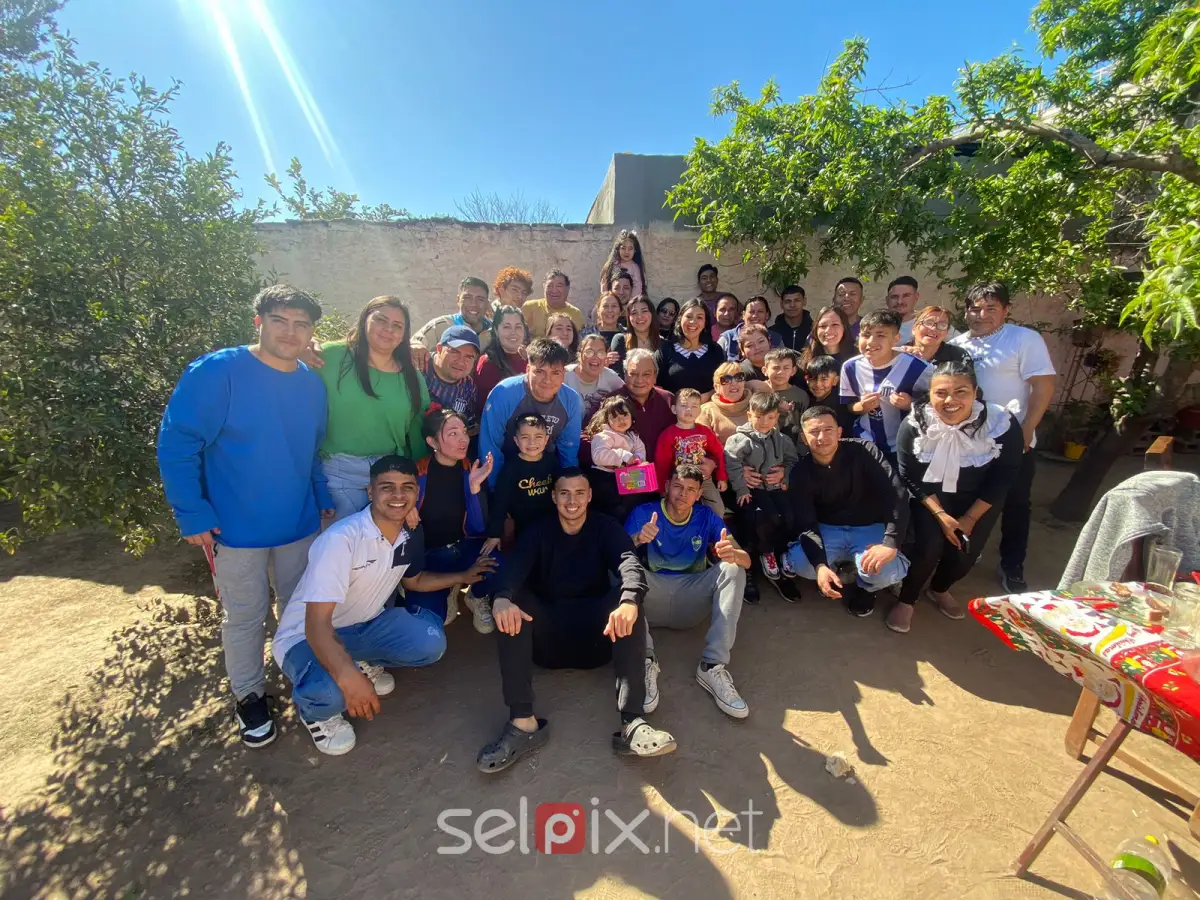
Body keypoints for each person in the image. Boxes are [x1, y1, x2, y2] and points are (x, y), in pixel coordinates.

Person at [157, 284, 333, 748]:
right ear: (259, 322)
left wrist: (320, 495)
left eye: (301, 324)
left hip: (298, 523)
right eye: (280, 321)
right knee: (245, 617)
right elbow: (177, 442)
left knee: (298, 611)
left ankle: (305, 683)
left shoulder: (311, 384)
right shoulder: (218, 371)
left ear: (311, 332)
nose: (290, 332)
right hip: (233, 530)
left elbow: (312, 450)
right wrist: (191, 512)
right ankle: (249, 696)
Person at [273, 455, 488, 755]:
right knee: (330, 693)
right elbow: (316, 624)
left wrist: (461, 577)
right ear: (370, 491)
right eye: (387, 487)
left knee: (430, 641)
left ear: (417, 492)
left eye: (407, 487)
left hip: (363, 625)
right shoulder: (341, 540)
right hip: (305, 638)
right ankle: (317, 713)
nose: (398, 495)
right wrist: (349, 677)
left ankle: (359, 661)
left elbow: (415, 581)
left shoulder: (410, 533)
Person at [477, 470, 675, 773]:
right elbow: (514, 567)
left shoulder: (605, 527)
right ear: (554, 497)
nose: (572, 500)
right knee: (512, 604)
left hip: (597, 638)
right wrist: (502, 597)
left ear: (589, 496)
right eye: (565, 493)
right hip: (548, 641)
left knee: (628, 601)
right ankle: (523, 722)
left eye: (580, 493)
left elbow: (629, 564)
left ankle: (632, 723)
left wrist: (629, 601)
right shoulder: (538, 530)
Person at [887, 362, 1025, 634]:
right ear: (930, 394)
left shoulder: (1000, 423)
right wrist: (941, 515)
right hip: (931, 497)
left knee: (965, 553)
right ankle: (907, 599)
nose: (950, 400)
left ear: (975, 392)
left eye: (961, 392)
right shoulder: (915, 424)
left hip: (981, 498)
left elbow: (1006, 475)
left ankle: (940, 589)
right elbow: (909, 474)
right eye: (941, 393)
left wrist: (970, 518)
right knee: (928, 547)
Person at [951, 282, 1057, 593]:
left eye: (991, 308)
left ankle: (1012, 564)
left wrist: (1027, 429)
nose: (981, 315)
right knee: (971, 500)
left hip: (1012, 439)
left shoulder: (1023, 339)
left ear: (1006, 310)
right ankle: (968, 551)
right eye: (975, 308)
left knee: (1015, 504)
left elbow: (1043, 385)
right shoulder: (958, 346)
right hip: (968, 442)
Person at [627, 466, 751, 718]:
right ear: (666, 487)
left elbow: (746, 560)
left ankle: (712, 665)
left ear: (699, 494)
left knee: (733, 569)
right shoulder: (645, 512)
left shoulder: (706, 516)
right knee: (625, 570)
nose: (683, 494)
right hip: (652, 599)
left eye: (691, 489)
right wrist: (638, 538)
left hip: (692, 600)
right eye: (678, 486)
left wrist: (732, 553)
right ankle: (644, 660)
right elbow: (613, 554)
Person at [784, 406, 911, 617]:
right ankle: (836, 572)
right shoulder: (800, 472)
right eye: (814, 432)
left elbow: (896, 493)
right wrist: (820, 566)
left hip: (869, 526)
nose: (822, 437)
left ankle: (867, 587)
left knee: (882, 571)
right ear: (804, 439)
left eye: (828, 429)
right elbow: (806, 522)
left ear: (839, 432)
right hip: (828, 528)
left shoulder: (864, 451)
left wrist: (891, 543)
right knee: (802, 564)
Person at [315, 296, 431, 521]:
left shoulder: (412, 377)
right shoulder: (330, 357)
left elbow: (417, 431)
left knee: (383, 542)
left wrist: (414, 485)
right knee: (342, 542)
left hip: (389, 476)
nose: (388, 330)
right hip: (338, 474)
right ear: (364, 320)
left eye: (397, 325)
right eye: (381, 320)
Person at [402, 409, 501, 633]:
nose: (463, 439)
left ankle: (476, 596)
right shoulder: (416, 473)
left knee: (499, 567)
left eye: (464, 432)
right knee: (425, 620)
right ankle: (448, 587)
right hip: (430, 557)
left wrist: (474, 489)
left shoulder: (471, 470)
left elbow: (478, 527)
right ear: (432, 441)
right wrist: (405, 508)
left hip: (465, 547)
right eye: (453, 433)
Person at [726, 392, 801, 602]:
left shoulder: (782, 440)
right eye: (759, 417)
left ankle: (781, 556)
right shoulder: (739, 440)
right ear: (749, 415)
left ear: (777, 417)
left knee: (788, 515)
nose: (764, 422)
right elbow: (731, 463)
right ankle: (751, 567)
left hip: (775, 488)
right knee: (754, 518)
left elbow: (792, 461)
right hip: (751, 490)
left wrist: (785, 475)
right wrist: (741, 488)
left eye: (770, 417)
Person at [479, 338, 582, 488]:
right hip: (507, 470)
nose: (547, 380)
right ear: (528, 369)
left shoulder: (571, 400)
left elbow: (568, 451)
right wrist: (497, 491)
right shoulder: (503, 393)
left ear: (563, 374)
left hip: (545, 472)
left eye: (555, 373)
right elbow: (490, 448)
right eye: (540, 371)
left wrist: (568, 488)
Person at [840, 309, 932, 466]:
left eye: (881, 335)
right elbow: (850, 406)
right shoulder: (850, 367)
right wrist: (861, 406)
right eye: (866, 335)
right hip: (865, 442)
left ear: (896, 339)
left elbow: (935, 406)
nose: (871, 342)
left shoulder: (919, 368)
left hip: (904, 445)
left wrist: (910, 404)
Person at [483, 414, 557, 553]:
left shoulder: (551, 461)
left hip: (549, 523)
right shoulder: (510, 468)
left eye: (538, 437)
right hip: (522, 527)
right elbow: (500, 501)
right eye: (525, 437)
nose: (532, 442)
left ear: (546, 439)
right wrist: (494, 534)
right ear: (516, 441)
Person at [654, 388, 728, 516]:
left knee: (718, 510)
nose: (689, 410)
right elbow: (662, 463)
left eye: (694, 406)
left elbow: (718, 453)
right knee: (678, 510)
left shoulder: (705, 432)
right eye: (684, 405)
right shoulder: (668, 435)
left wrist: (722, 477)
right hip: (679, 480)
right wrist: (662, 488)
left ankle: (713, 528)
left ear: (699, 410)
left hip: (703, 479)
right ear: (674, 409)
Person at [585, 394, 648, 518]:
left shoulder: (632, 436)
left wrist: (638, 459)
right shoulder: (604, 435)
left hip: (627, 477)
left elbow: (640, 449)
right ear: (607, 420)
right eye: (615, 417)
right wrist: (624, 455)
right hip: (605, 477)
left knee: (633, 503)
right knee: (611, 509)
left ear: (632, 416)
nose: (621, 420)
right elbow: (598, 456)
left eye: (625, 415)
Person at [656, 298, 724, 398]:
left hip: (708, 406)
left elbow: (723, 382)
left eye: (699, 317)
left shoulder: (715, 350)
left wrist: (702, 399)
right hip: (672, 407)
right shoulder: (665, 350)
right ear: (680, 319)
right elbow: (656, 385)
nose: (693, 321)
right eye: (689, 316)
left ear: (705, 323)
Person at [617, 348, 676, 461]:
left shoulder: (668, 400)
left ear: (655, 376)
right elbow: (587, 436)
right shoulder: (611, 401)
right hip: (625, 470)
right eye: (633, 374)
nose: (640, 380)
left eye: (646, 374)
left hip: (667, 469)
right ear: (625, 374)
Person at [422, 325, 481, 435]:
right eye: (455, 352)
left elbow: (469, 428)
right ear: (439, 349)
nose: (461, 361)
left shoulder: (469, 388)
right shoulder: (419, 369)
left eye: (469, 357)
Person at [473, 306, 529, 418]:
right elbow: (485, 408)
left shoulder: (531, 359)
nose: (513, 332)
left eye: (518, 327)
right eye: (507, 327)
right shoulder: (488, 363)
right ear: (496, 330)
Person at [413, 277, 493, 352]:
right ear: (458, 300)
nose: (473, 304)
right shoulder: (440, 326)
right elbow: (414, 344)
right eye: (467, 298)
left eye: (480, 299)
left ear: (487, 303)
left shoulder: (494, 331)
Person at [566, 332, 625, 418]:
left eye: (601, 353)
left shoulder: (610, 377)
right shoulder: (565, 376)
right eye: (589, 352)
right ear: (579, 355)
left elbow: (628, 395)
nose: (595, 357)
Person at [697, 362, 756, 445]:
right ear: (716, 387)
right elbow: (701, 447)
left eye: (739, 377)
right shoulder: (706, 412)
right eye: (726, 380)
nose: (734, 383)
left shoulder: (757, 406)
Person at [762, 348, 809, 444]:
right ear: (765, 370)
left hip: (792, 446)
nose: (780, 372)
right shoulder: (758, 391)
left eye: (786, 368)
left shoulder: (801, 395)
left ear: (793, 371)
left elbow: (806, 426)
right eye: (776, 368)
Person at [718, 296, 784, 361]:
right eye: (751, 312)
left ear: (767, 315)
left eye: (760, 311)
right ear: (743, 315)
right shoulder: (727, 338)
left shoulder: (776, 339)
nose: (755, 316)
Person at [898, 305, 968, 366]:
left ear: (946, 332)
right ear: (914, 328)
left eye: (942, 325)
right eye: (928, 323)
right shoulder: (899, 353)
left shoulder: (958, 356)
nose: (934, 328)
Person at [610, 295, 661, 378]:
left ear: (652, 314)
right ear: (629, 318)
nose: (639, 316)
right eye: (634, 313)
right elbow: (616, 375)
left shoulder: (663, 343)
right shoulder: (621, 340)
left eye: (644, 311)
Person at [522, 269, 583, 337]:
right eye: (549, 286)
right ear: (544, 287)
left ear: (567, 289)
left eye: (559, 286)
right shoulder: (529, 308)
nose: (554, 290)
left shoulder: (575, 314)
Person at [804, 355, 856, 433]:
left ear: (835, 380)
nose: (817, 384)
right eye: (813, 378)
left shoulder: (840, 405)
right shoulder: (805, 397)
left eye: (824, 379)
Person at [801, 305, 855, 370]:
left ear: (844, 328)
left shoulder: (857, 360)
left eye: (835, 324)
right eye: (823, 326)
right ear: (816, 330)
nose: (828, 330)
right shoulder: (805, 362)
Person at [600, 229, 647, 298]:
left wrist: (631, 302)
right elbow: (604, 283)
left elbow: (637, 286)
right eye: (623, 248)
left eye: (630, 248)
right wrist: (608, 298)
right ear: (618, 249)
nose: (626, 252)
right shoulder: (611, 265)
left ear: (635, 250)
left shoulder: (635, 267)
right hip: (613, 300)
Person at [770, 284, 814, 353]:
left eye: (797, 300)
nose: (792, 305)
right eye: (787, 301)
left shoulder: (815, 330)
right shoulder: (772, 333)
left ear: (804, 301)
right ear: (781, 304)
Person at [885, 276, 922, 345]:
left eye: (906, 296)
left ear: (916, 297)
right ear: (887, 300)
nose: (900, 302)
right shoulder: (878, 324)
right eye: (894, 297)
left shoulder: (927, 324)